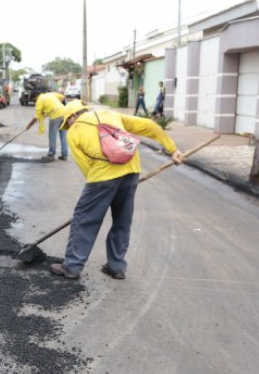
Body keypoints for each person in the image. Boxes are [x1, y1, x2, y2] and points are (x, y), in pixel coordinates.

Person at [49, 99, 184, 280]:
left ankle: (72, 266)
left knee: (85, 219)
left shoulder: (74, 131)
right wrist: (172, 149)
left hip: (102, 177)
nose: (68, 126)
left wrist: (101, 189)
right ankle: (117, 266)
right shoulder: (112, 115)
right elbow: (150, 126)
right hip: (131, 172)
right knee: (122, 219)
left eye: (68, 122)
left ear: (73, 116)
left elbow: (86, 167)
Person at [25, 90, 68, 161]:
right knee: (63, 136)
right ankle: (64, 155)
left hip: (55, 116)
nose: (34, 102)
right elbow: (62, 97)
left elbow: (36, 117)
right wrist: (56, 107)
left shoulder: (39, 101)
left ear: (35, 97)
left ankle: (51, 155)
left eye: (33, 100)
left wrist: (29, 125)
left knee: (52, 136)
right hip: (64, 113)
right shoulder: (49, 94)